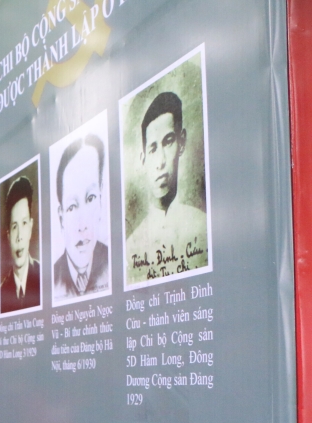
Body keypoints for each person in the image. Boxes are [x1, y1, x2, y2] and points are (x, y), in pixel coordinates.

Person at [125, 92, 208, 284]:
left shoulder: (202, 227)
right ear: (143, 159)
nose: (161, 162)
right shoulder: (130, 248)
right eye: (153, 149)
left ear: (181, 143)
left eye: (168, 142)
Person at [52, 135, 111, 302]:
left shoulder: (114, 263)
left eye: (90, 198)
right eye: (72, 207)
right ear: (61, 218)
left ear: (100, 199)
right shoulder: (51, 281)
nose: (82, 225)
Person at [0, 176, 41, 313]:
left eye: (24, 224)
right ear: (8, 235)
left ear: (30, 227)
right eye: (14, 227)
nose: (19, 237)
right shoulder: (2, 293)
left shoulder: (45, 278)